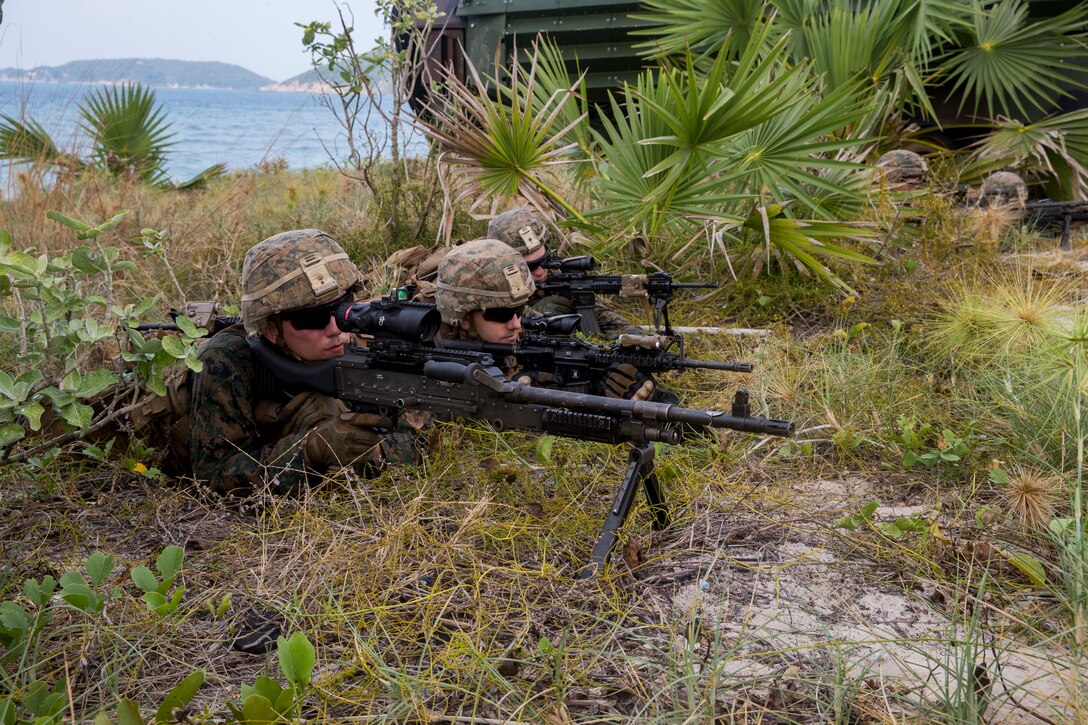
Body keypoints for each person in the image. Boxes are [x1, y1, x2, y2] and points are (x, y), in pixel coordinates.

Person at [188, 229, 421, 496]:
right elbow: (212, 476)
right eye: (313, 318)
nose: (336, 329)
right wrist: (310, 449)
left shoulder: (357, 335)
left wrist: (381, 452)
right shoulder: (225, 361)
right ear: (270, 328)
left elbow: (415, 438)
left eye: (344, 308)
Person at [434, 238, 655, 401]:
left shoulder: (524, 323)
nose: (516, 324)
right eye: (500, 314)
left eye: (519, 309)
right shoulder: (427, 341)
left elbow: (579, 353)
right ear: (463, 317)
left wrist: (610, 380)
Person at [486, 208, 642, 338]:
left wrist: (639, 340)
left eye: (544, 261)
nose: (540, 272)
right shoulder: (486, 285)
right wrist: (540, 317)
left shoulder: (559, 273)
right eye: (529, 267)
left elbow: (604, 318)